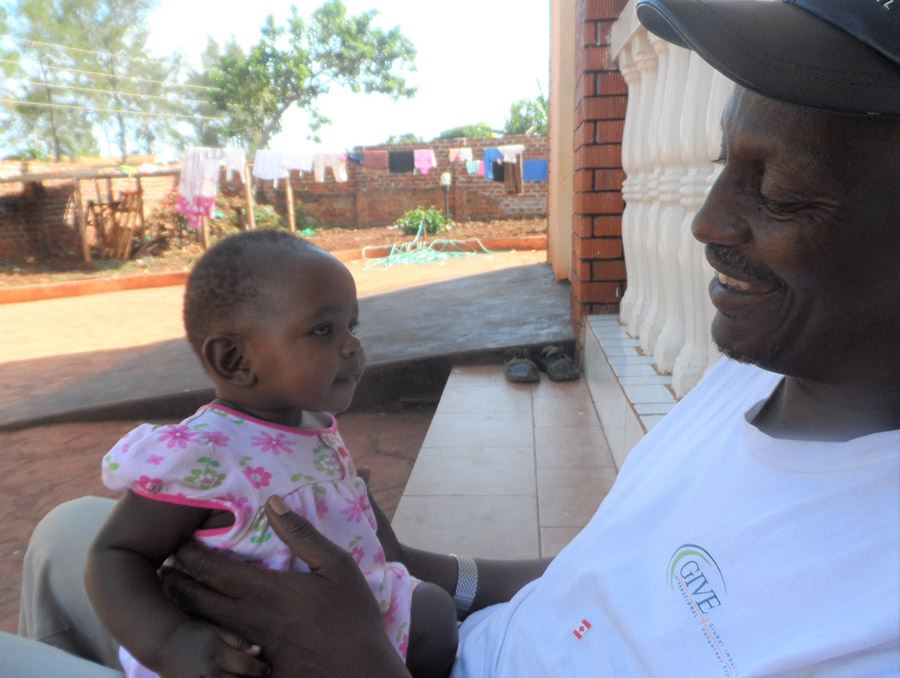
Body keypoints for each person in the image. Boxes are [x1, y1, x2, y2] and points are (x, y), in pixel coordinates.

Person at [7, 0, 900, 675]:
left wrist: (360, 661)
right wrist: (420, 569)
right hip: (441, 638)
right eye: (722, 169)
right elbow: (614, 569)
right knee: (69, 539)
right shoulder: (756, 377)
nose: (705, 222)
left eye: (778, 192)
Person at [82, 230, 458, 677]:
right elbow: (115, 553)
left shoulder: (312, 423)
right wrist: (172, 643)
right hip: (254, 647)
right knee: (433, 613)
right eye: (323, 330)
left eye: (351, 326)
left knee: (435, 614)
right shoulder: (204, 453)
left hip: (344, 620)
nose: (351, 346)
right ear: (235, 360)